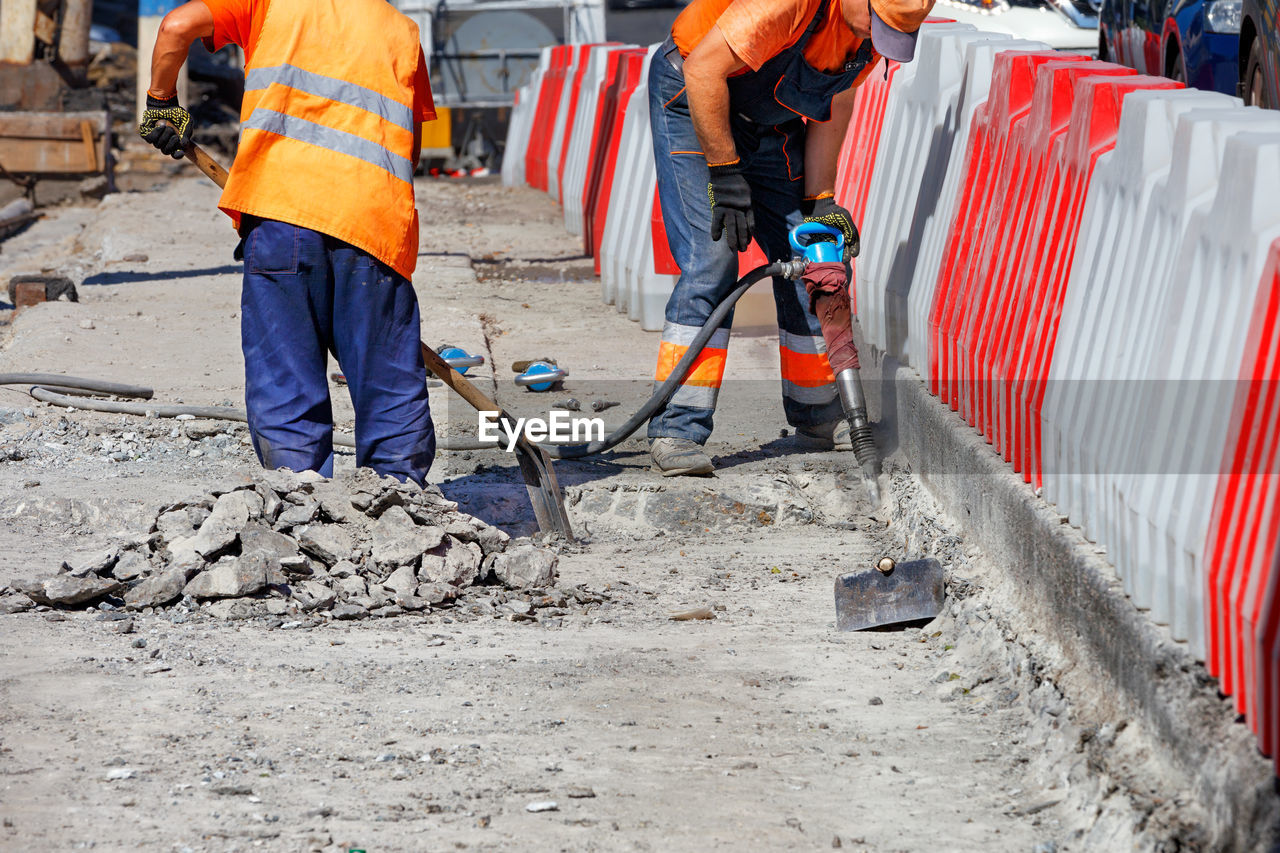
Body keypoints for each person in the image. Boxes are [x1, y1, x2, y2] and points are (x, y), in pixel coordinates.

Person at [138, 0, 437, 486]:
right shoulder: (402, 30)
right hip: (374, 225)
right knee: (387, 380)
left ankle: (300, 502)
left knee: (287, 377)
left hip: (282, 216)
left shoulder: (271, 3)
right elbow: (412, 149)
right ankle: (400, 506)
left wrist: (161, 102)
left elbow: (177, 25)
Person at [646, 0, 934, 476]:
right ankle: (677, 429)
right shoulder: (786, 5)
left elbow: (836, 100)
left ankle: (819, 414)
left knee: (812, 252)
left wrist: (821, 198)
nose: (877, 41)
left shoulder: (865, 36)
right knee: (711, 263)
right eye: (878, 26)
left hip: (767, 120)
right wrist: (725, 172)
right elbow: (703, 70)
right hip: (693, 95)